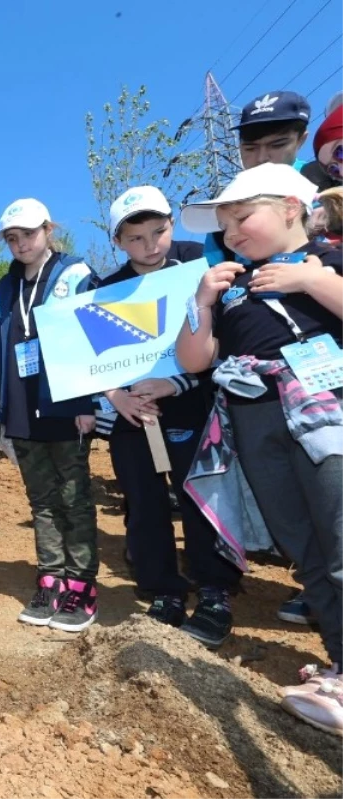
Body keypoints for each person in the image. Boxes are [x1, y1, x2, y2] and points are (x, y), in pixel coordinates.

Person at [175, 163, 343, 732]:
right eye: (224, 226)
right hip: (255, 422)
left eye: (242, 218)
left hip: (325, 414)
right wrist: (202, 302)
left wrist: (310, 282)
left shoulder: (331, 261)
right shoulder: (234, 288)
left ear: (292, 208)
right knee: (307, 548)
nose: (232, 234)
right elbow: (196, 361)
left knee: (342, 535)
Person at [96, 187, 241, 647]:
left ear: (172, 226)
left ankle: (215, 591)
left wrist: (176, 383)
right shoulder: (106, 290)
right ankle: (164, 590)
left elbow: (225, 340)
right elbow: (90, 361)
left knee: (200, 497)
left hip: (192, 404)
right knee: (143, 501)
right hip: (133, 414)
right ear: (118, 241)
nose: (150, 245)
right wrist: (118, 397)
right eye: (136, 238)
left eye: (158, 232)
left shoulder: (200, 267)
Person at [0, 200, 100, 633]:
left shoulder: (75, 273)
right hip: (21, 405)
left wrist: (86, 403)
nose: (21, 244)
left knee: (75, 497)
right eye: (12, 238)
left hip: (66, 405)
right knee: (42, 501)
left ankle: (82, 583)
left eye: (28, 234)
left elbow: (93, 337)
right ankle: (51, 578)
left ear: (49, 230)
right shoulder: (3, 287)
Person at [207, 91, 313, 266]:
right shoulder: (226, 206)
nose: (262, 157)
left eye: (277, 145)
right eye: (250, 148)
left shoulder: (328, 183)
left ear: (301, 140)